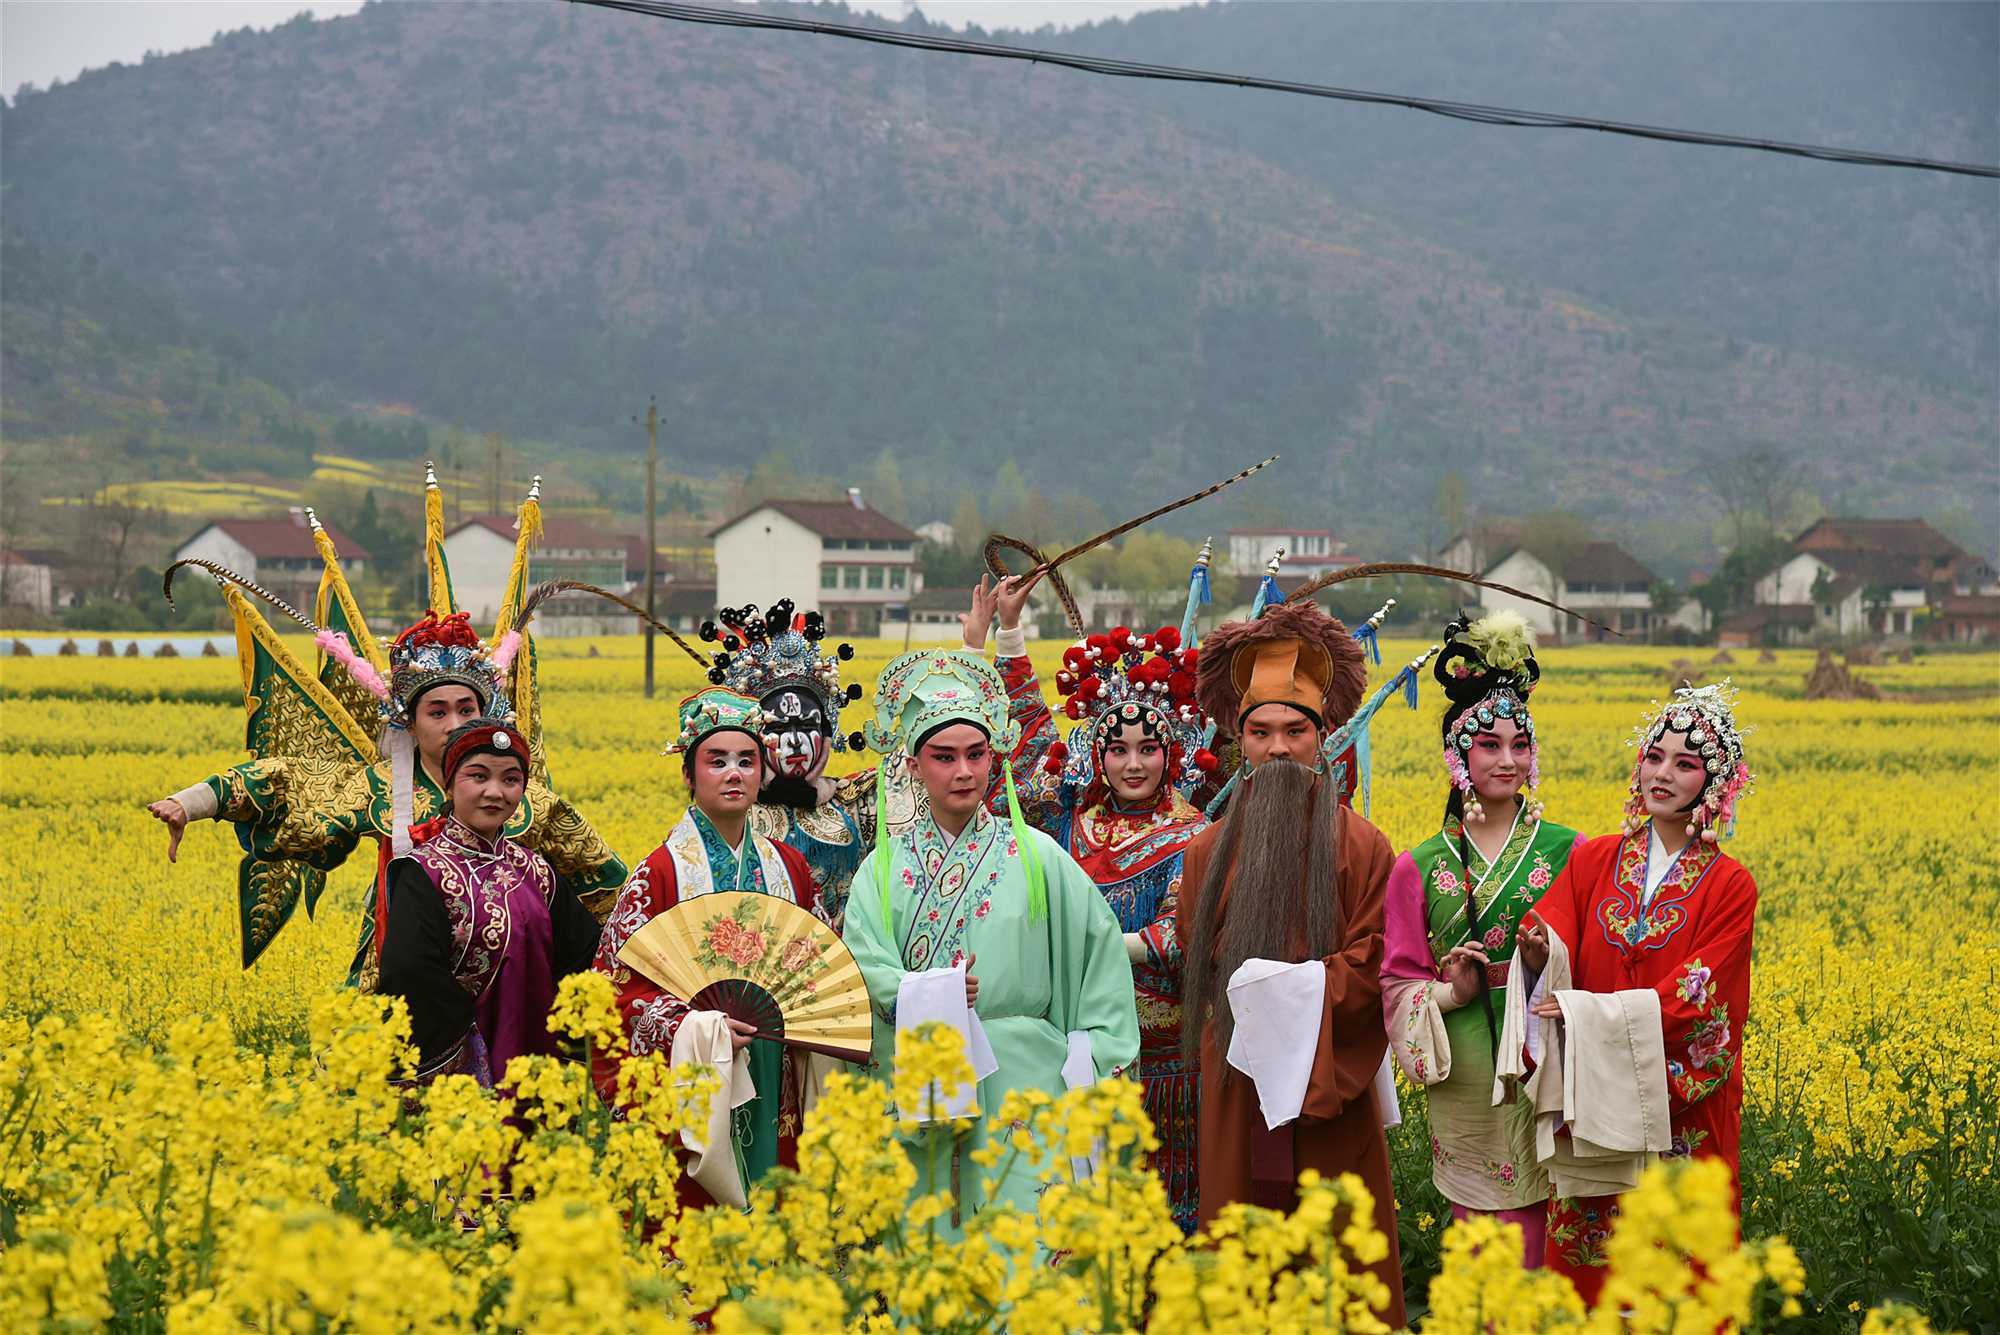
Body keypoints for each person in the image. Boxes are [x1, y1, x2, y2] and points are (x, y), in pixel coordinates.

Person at [145, 484, 625, 975]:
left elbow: (605, 882)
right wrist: (191, 803)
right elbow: (284, 780)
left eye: (466, 708)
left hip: (505, 974)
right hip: (401, 967)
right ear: (410, 724)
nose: (455, 723)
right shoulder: (383, 788)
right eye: (437, 712)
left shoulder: (527, 801)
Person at [842, 648, 1139, 1236]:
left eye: (976, 755)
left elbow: (1099, 960)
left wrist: (1093, 1057)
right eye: (943, 757)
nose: (963, 772)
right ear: (913, 765)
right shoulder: (879, 872)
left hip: (1027, 1081)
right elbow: (864, 969)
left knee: (1023, 1255)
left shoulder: (1040, 859)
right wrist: (933, 994)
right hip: (921, 1083)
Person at [963, 572, 1216, 1232]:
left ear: (1173, 754)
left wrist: (1089, 944)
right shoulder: (1070, 821)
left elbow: (1179, 936)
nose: (1134, 764)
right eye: (1118, 749)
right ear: (1095, 756)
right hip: (1070, 1046)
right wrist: (1008, 632)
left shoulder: (1194, 833)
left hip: (1163, 1059)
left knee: (1163, 1216)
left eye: (1148, 749)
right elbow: (1019, 746)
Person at [1176, 599, 1406, 1327]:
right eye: (1260, 731)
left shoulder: (1366, 847)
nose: (1278, 747)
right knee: (1243, 1257)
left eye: (1295, 730)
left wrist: (1289, 993)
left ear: (1323, 738)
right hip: (1239, 1086)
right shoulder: (1206, 853)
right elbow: (1198, 959)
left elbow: (1377, 966)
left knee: (1340, 1257)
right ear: (1237, 740)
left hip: (1330, 1090)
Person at [1511, 681, 1758, 1302]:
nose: (1664, 774)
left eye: (1686, 763)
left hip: (1678, 1102)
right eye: (1654, 756)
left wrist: (1589, 1016)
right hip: (1594, 1098)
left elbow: (1704, 991)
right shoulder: (1593, 860)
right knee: (1593, 1267)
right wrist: (1542, 955)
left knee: (1677, 1275)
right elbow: (1553, 928)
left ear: (1716, 784)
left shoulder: (1731, 885)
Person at [1380, 612, 1582, 1266]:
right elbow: (1397, 980)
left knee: (1562, 1230)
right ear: (1457, 757)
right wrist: (1448, 991)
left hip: (1548, 1056)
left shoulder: (1573, 851)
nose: (1507, 759)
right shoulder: (1419, 863)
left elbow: (1600, 964)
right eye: (1488, 744)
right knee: (1484, 1244)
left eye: (1519, 744)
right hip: (1467, 1062)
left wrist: (1547, 960)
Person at [592, 687, 821, 1207]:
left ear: (764, 774)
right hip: (696, 1064)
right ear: (689, 776)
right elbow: (617, 990)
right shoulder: (660, 871)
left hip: (772, 1057)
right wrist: (698, 1028)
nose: (734, 773)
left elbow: (817, 969)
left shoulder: (790, 867)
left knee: (776, 1201)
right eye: (716, 762)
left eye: (747, 761)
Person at [376, 720, 603, 1086]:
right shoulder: (422, 871)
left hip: (536, 1064)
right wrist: (475, 1054)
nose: (495, 792)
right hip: (461, 1075)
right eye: (478, 777)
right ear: (449, 783)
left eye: (511, 780)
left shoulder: (536, 869)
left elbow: (583, 955)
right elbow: (410, 975)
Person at [698, 600, 927, 932]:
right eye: (777, 729)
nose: (793, 742)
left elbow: (932, 755)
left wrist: (975, 647)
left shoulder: (856, 802)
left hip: (846, 969)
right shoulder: (728, 810)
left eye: (806, 726)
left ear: (827, 733)